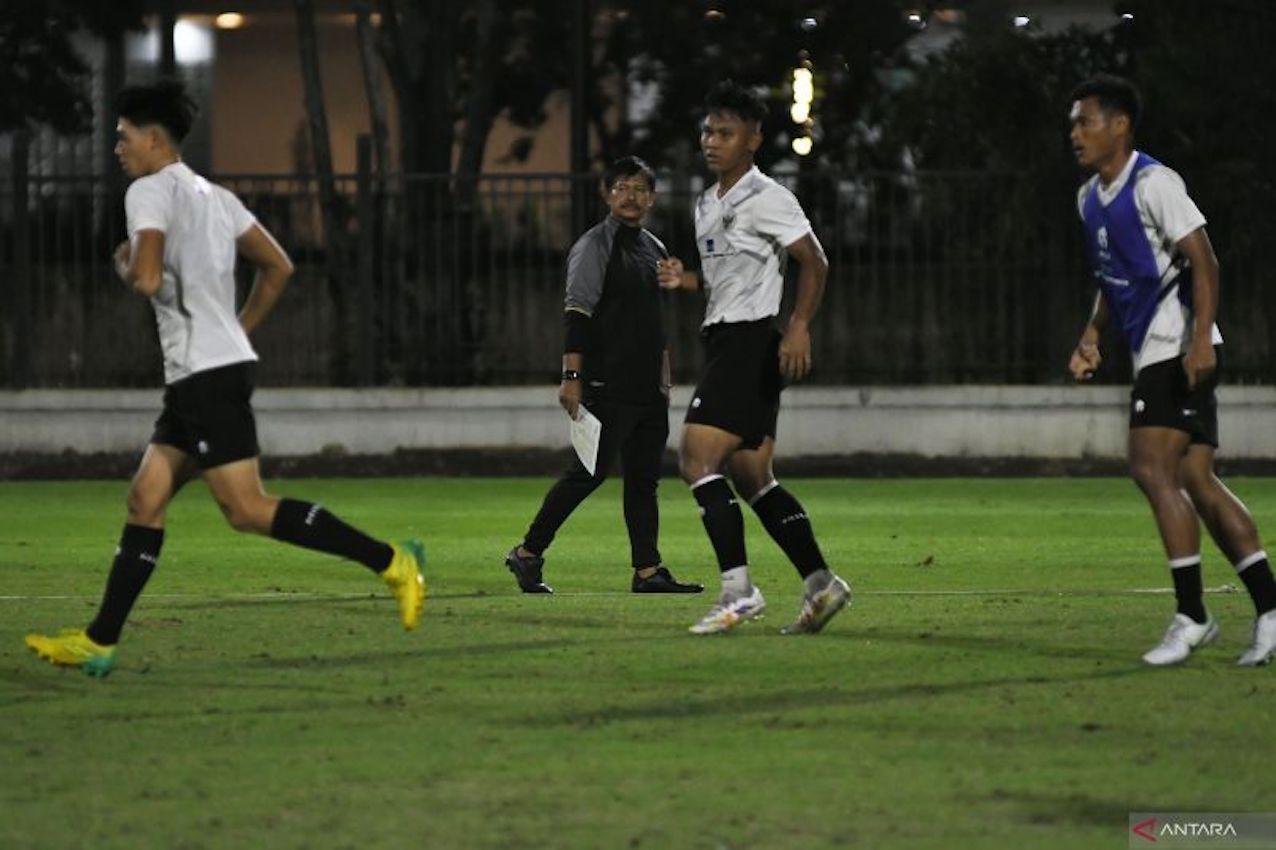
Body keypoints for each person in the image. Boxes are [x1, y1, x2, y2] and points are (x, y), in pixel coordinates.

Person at [24, 80, 425, 678]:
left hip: (205, 374)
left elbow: (149, 278)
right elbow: (279, 266)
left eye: (122, 137)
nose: (117, 148)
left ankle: (392, 560)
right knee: (145, 497)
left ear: (152, 138)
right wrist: (239, 328)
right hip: (210, 366)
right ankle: (100, 641)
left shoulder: (148, 193)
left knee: (244, 509)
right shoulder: (215, 196)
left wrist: (125, 262)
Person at [1067, 74, 1275, 667]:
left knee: (1149, 466)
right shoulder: (1088, 199)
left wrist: (1199, 341)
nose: (1075, 133)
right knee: (1198, 483)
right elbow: (1116, 280)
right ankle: (1271, 609)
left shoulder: (1155, 183)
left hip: (1177, 348)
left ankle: (1193, 615)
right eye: (1073, 123)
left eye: (1085, 121)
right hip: (1155, 349)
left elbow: (1203, 258)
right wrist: (1092, 334)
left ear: (1119, 125)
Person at [657, 81, 851, 635]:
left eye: (725, 132)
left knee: (696, 460)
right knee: (752, 475)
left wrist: (798, 328)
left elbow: (814, 261)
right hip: (727, 337)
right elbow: (725, 281)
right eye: (707, 131)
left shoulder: (767, 195)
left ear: (753, 140)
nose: (711, 141)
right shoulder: (705, 202)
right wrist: (685, 278)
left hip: (750, 341)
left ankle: (738, 592)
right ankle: (821, 584)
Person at [504, 156, 702, 595]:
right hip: (605, 383)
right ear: (606, 193)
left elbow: (654, 317)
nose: (631, 196)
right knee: (586, 474)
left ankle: (648, 571)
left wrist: (664, 374)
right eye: (622, 187)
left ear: (652, 197)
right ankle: (527, 553)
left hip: (648, 387)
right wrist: (571, 375)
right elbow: (577, 312)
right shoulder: (594, 245)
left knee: (644, 481)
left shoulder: (653, 246)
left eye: (640, 188)